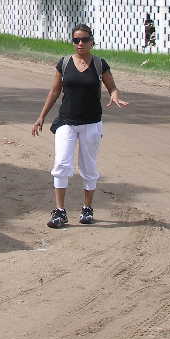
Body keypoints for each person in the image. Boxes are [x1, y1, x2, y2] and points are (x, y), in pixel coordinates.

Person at [30, 24, 128, 228]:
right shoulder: (64, 63)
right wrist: (41, 117)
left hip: (91, 123)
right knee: (61, 164)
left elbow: (112, 87)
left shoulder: (100, 64)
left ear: (92, 41)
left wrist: (115, 95)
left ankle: (87, 208)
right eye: (76, 40)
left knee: (88, 166)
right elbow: (54, 92)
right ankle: (60, 211)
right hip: (66, 121)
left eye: (84, 40)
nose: (80, 44)